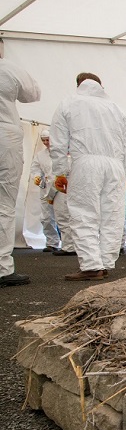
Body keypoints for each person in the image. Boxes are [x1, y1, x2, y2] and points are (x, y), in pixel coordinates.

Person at [50, 72, 126, 281]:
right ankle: (105, 262)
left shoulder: (69, 103)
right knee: (112, 215)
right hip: (115, 166)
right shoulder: (116, 108)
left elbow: (59, 140)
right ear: (101, 86)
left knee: (84, 213)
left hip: (86, 162)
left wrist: (60, 171)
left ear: (78, 84)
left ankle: (90, 265)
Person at [0, 51, 40, 287]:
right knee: (4, 202)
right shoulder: (8, 68)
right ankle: (2, 267)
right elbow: (33, 93)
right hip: (5, 135)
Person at [30, 130, 61, 252]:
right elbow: (35, 168)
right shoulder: (40, 155)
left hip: (59, 187)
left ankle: (71, 243)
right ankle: (52, 242)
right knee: (46, 217)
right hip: (46, 186)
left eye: (47, 140)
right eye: (43, 140)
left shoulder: (61, 153)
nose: (45, 143)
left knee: (63, 215)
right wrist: (36, 176)